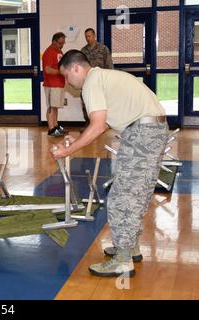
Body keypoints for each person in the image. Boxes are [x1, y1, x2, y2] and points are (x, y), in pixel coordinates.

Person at [53, 50, 168, 277]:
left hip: (143, 133)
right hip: (151, 129)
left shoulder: (91, 82)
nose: (68, 83)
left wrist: (69, 150)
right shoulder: (102, 76)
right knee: (136, 194)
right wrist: (76, 138)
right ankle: (129, 247)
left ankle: (123, 260)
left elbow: (98, 125)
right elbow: (101, 124)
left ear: (76, 68)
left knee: (122, 197)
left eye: (66, 76)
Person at [80, 28, 113, 129]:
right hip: (87, 81)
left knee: (101, 102)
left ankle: (103, 123)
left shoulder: (103, 49)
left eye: (89, 36)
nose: (88, 38)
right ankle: (89, 123)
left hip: (100, 81)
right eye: (86, 36)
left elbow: (109, 65)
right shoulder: (83, 51)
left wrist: (109, 80)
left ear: (94, 36)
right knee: (86, 101)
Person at [42, 32, 67, 137]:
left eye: (63, 43)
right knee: (51, 107)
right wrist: (60, 72)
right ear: (54, 42)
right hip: (51, 84)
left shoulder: (59, 52)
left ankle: (56, 126)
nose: (62, 45)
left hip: (59, 84)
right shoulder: (49, 52)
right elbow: (47, 69)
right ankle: (51, 129)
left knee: (55, 107)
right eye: (60, 43)